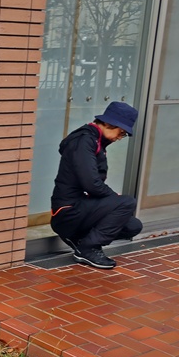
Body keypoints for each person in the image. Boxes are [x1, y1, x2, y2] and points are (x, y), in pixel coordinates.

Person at [50, 101, 142, 269]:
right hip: (67, 212)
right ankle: (88, 248)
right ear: (109, 124)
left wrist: (113, 200)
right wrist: (115, 198)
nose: (119, 138)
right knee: (127, 202)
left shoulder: (96, 142)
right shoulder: (83, 141)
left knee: (132, 226)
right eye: (121, 133)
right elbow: (92, 184)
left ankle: (80, 240)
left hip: (80, 208)